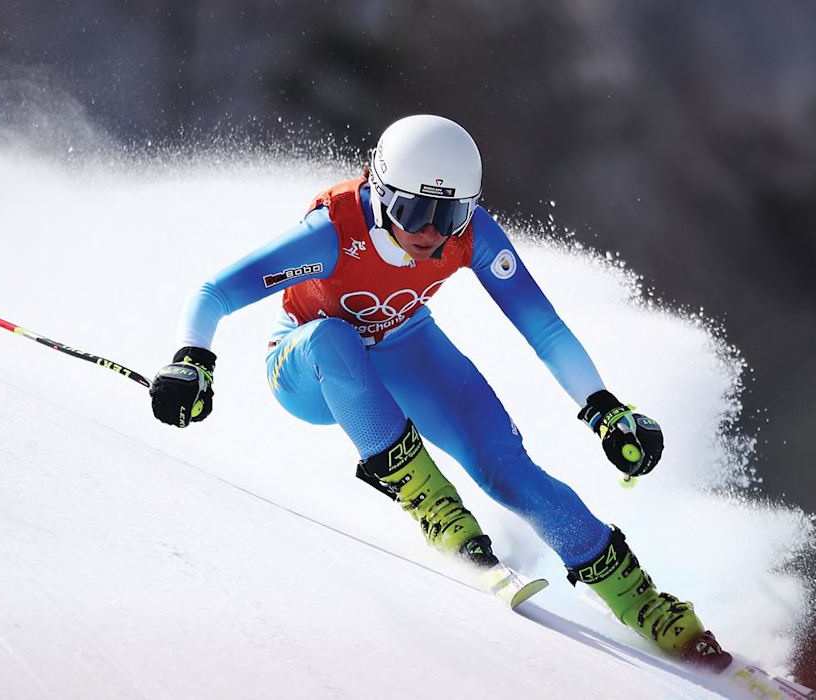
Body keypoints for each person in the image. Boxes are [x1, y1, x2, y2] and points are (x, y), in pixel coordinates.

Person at [149, 114, 731, 670]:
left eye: (448, 215)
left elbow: (542, 325)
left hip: (407, 348)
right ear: (380, 193)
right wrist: (192, 359)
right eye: (412, 209)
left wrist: (604, 408)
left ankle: (638, 597)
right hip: (307, 369)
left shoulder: (473, 236)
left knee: (509, 470)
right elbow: (214, 291)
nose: (430, 231)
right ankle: (433, 506)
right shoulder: (333, 232)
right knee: (333, 337)